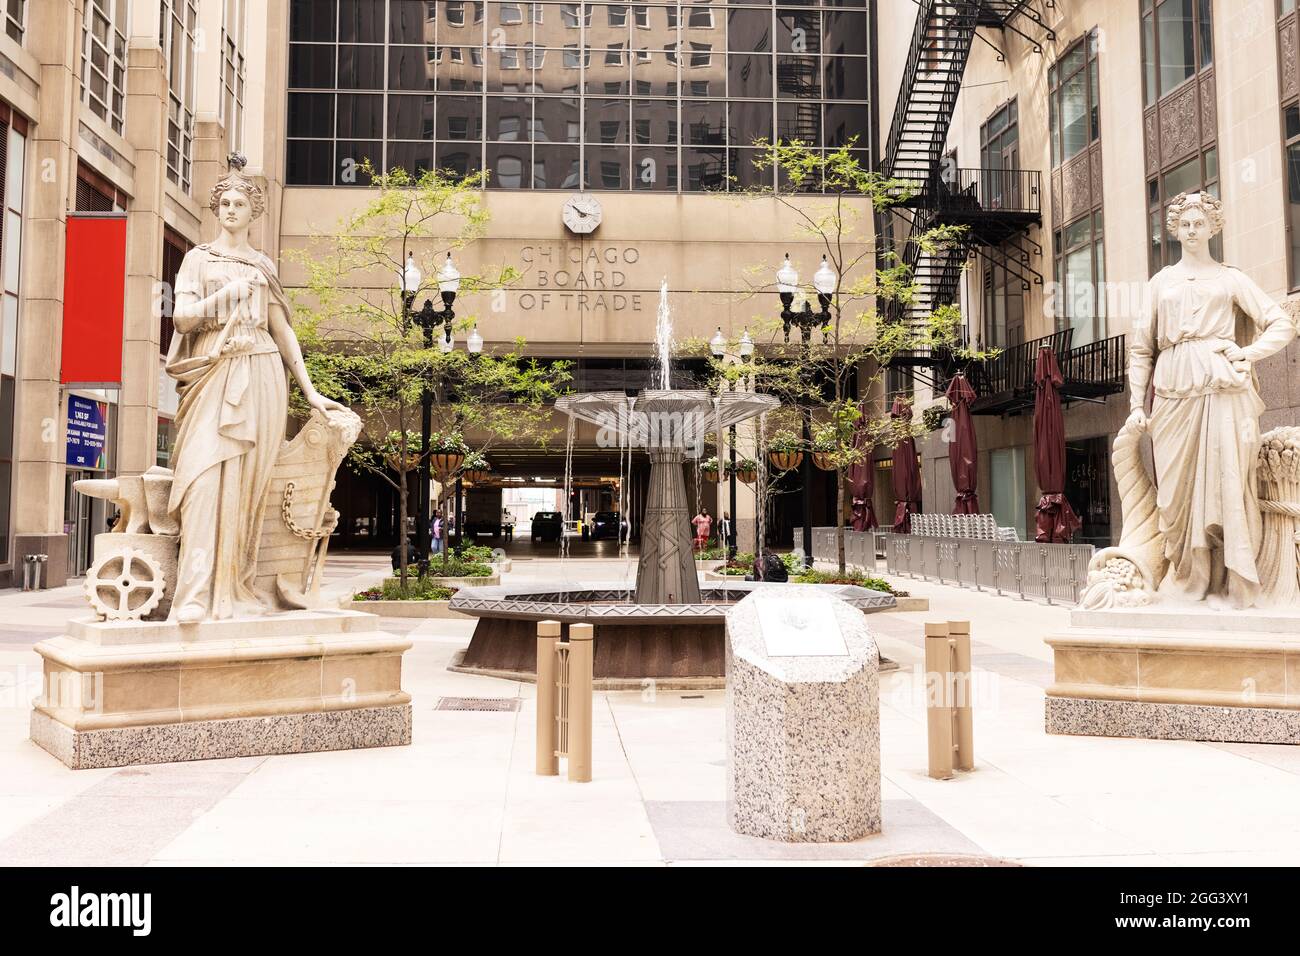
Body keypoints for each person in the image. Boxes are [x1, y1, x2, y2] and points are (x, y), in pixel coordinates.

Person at [165, 155, 347, 622]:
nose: (229, 209)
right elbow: (183, 317)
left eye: (238, 203)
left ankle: (235, 588)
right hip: (214, 371)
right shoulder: (198, 259)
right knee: (203, 478)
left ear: (252, 212)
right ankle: (195, 594)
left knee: (248, 488)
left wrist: (309, 391)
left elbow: (282, 331)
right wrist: (229, 293)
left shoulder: (263, 264)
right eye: (223, 202)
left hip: (262, 373)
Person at [1127, 191, 1298, 607]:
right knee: (1175, 496)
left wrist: (1247, 353)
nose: (1191, 230)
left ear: (1212, 227)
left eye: (1199, 223)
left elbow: (1281, 323)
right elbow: (1141, 348)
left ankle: (1233, 584)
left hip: (1223, 388)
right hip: (1171, 391)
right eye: (1184, 223)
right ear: (1173, 230)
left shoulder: (1230, 278)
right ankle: (1187, 580)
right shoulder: (1161, 282)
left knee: (1227, 485)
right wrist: (1136, 404)